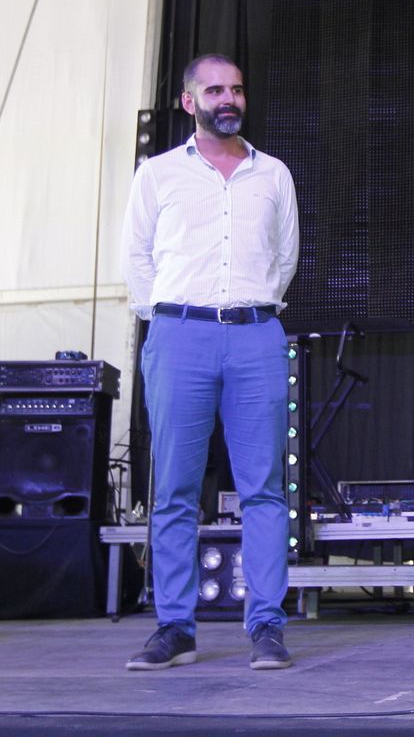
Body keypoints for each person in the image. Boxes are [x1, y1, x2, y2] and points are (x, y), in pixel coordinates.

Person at [121, 53, 300, 671]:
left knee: (264, 490)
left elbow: (284, 259)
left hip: (255, 335)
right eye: (216, 89)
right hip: (179, 336)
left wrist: (248, 310)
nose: (230, 99)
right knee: (172, 490)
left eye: (238, 89)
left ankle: (267, 626)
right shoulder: (158, 174)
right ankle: (175, 626)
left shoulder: (273, 174)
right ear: (188, 100)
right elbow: (137, 260)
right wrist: (171, 320)